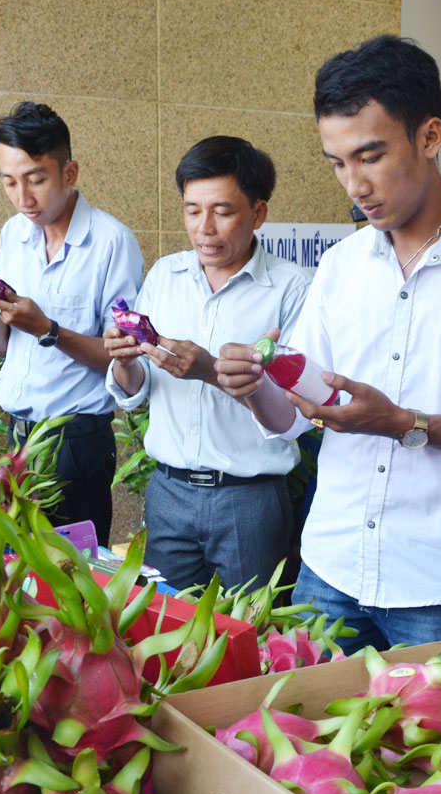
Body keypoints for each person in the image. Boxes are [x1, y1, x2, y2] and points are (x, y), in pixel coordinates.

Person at [214, 35, 441, 653]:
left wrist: (405, 423)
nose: (354, 184)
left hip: (439, 582)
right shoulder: (340, 264)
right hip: (327, 568)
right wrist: (253, 386)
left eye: (370, 156)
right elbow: (293, 417)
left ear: (430, 136)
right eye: (337, 162)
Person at [103, 136, 310, 591]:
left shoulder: (292, 288)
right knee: (166, 622)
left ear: (258, 213)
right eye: (192, 210)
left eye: (222, 211)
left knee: (250, 629)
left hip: (249, 499)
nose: (204, 229)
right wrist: (124, 361)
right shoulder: (165, 274)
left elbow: (296, 411)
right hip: (168, 493)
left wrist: (210, 371)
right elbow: (136, 389)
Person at [0, 101, 143, 546]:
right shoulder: (14, 232)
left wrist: (47, 328)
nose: (23, 197)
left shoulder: (112, 242)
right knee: (16, 571)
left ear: (69, 173)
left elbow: (122, 359)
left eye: (36, 179)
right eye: (9, 182)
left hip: (75, 444)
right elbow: (1, 348)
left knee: (71, 575)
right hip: (16, 436)